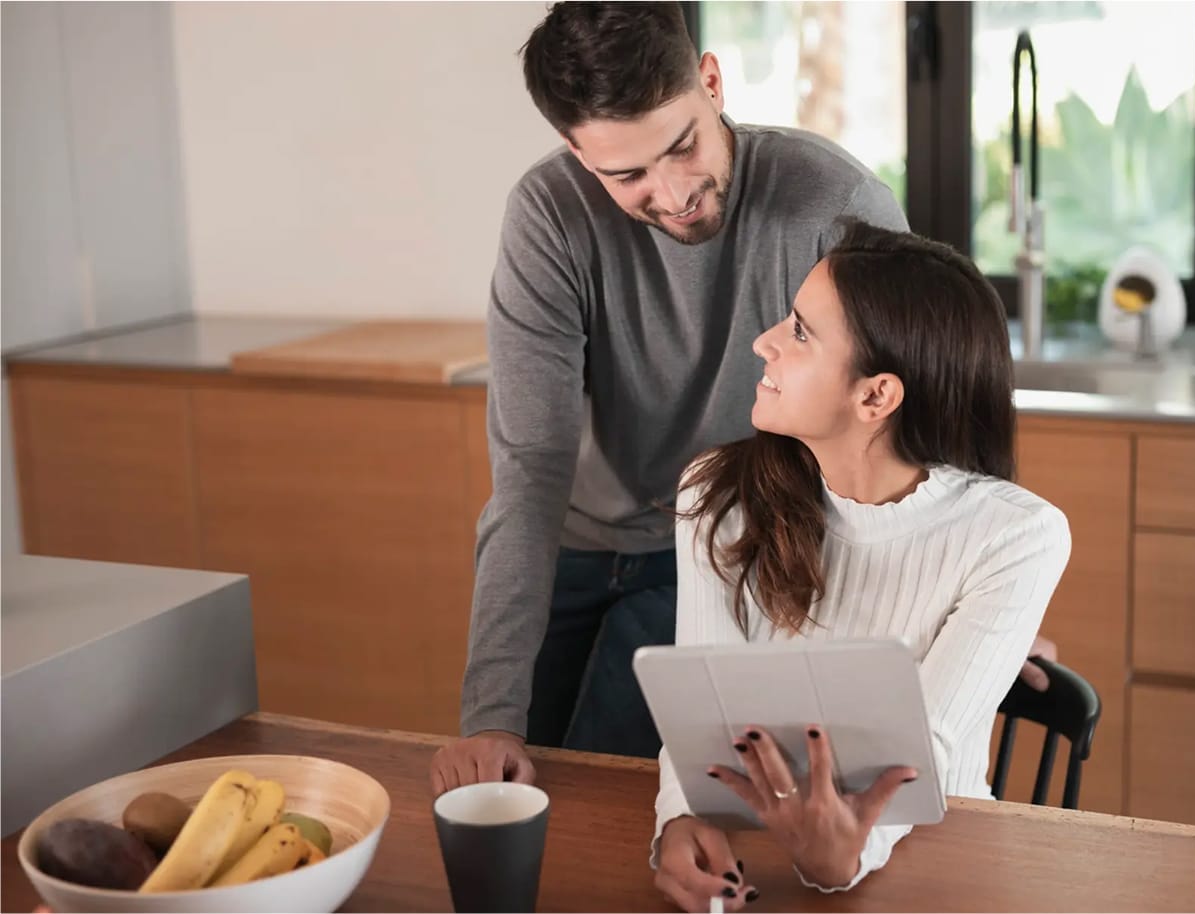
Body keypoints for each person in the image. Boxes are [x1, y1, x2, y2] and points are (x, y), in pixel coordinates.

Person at [429, 1, 1055, 794]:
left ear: (712, 81)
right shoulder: (548, 216)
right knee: (516, 781)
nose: (674, 191)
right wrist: (491, 713)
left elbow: (921, 393)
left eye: (681, 145)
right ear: (576, 154)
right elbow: (530, 466)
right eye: (625, 175)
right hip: (574, 544)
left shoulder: (833, 201)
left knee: (619, 797)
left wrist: (980, 605)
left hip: (730, 542)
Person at [650, 220, 1072, 911]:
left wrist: (841, 857)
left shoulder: (1018, 536)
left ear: (875, 396)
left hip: (943, 864)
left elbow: (921, 755)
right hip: (762, 851)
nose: (764, 343)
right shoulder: (716, 493)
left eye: (799, 332)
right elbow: (704, 713)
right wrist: (679, 818)